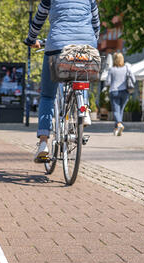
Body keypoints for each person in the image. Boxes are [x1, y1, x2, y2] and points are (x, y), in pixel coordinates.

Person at [24, 0, 100, 162]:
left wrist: (31, 39)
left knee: (47, 95)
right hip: (86, 45)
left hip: (58, 46)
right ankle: (84, 109)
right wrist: (93, 41)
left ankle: (43, 143)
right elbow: (96, 22)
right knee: (82, 73)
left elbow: (39, 18)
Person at [106, 52, 136, 136]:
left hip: (114, 91)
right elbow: (134, 80)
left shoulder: (111, 69)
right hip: (125, 92)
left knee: (116, 110)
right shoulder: (127, 68)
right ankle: (117, 129)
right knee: (120, 110)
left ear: (114, 60)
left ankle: (119, 124)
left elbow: (107, 82)